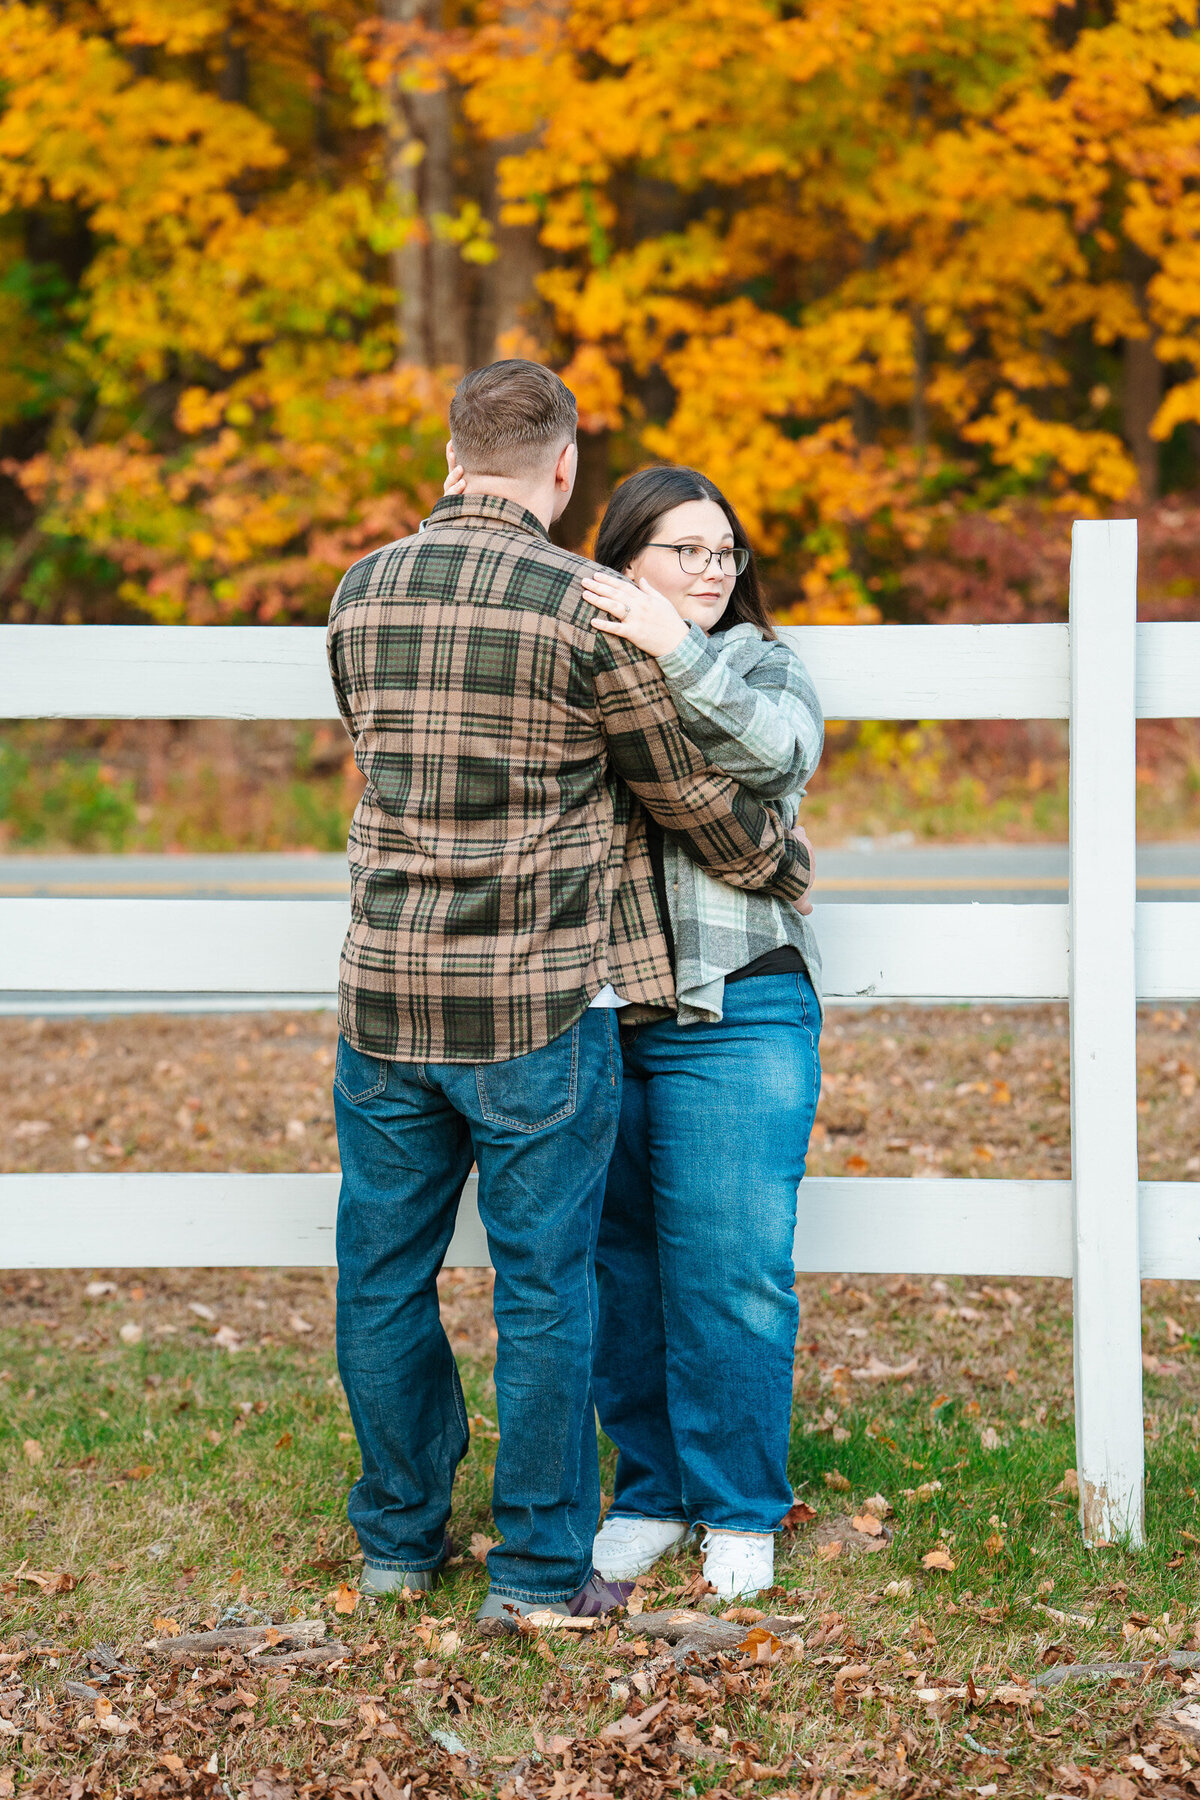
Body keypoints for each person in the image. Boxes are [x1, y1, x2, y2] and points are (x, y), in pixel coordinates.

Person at [327, 362, 814, 1629]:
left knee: (381, 1273)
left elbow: (374, 748)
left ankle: (397, 1541)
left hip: (382, 997)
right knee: (548, 1285)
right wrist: (777, 861)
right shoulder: (577, 606)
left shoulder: (359, 590)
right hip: (535, 1002)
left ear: (450, 453)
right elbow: (674, 781)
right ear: (564, 469)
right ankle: (539, 1575)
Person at [582, 467, 824, 1601]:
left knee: (732, 1270)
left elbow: (781, 757)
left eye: (724, 552)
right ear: (625, 557)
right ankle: (650, 1493)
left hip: (740, 1000)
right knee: (619, 1263)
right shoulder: (578, 659)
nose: (713, 570)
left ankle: (738, 1506)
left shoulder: (757, 661)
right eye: (686, 551)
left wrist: (675, 648)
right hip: (600, 1002)